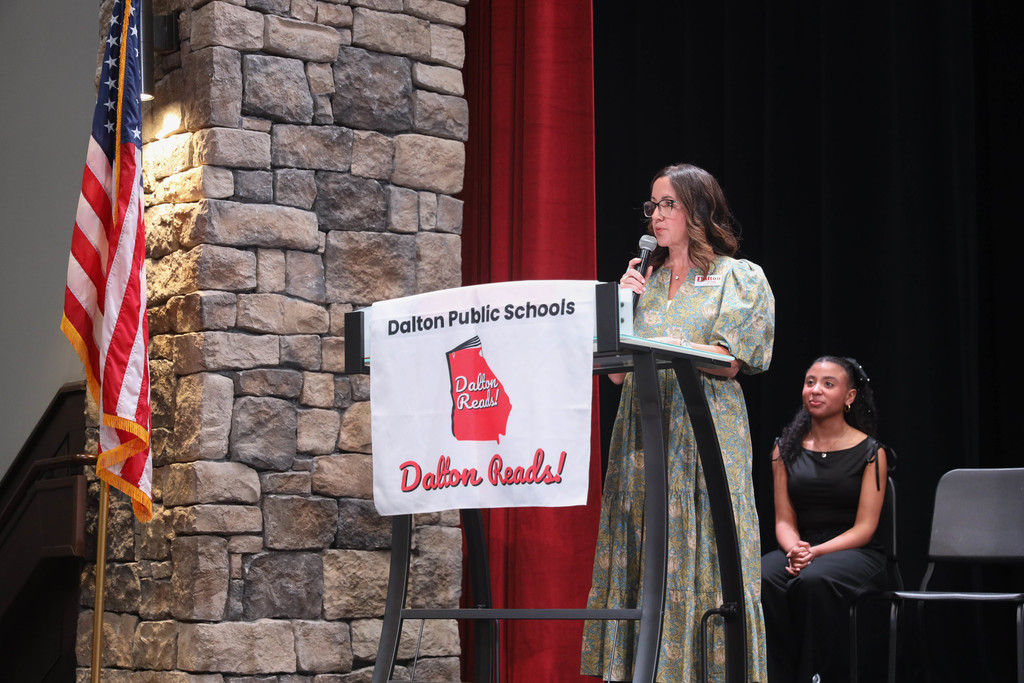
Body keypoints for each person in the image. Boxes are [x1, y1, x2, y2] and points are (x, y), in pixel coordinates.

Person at [581, 163, 775, 682]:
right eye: (652, 205)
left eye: (667, 204)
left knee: (704, 546)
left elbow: (728, 359)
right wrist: (624, 305)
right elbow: (618, 378)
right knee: (644, 546)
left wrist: (668, 347)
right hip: (643, 433)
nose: (656, 215)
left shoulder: (738, 276)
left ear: (698, 210)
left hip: (702, 430)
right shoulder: (646, 280)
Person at [760, 356, 890, 683]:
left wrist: (815, 553)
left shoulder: (871, 452)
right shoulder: (783, 450)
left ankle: (817, 677)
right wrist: (796, 550)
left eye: (828, 384)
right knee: (761, 577)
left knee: (813, 581)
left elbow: (865, 527)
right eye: (810, 382)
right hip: (802, 547)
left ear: (849, 397)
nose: (815, 390)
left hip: (856, 552)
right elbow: (784, 520)